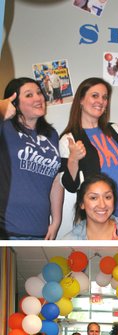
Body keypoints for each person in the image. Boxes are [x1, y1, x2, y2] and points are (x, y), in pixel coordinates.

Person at [58, 77, 118, 220]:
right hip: (97, 220)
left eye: (104, 97)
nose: (100, 101)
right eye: (95, 96)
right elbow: (70, 185)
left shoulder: (114, 129)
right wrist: (73, 159)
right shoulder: (69, 139)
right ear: (81, 100)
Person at [0, 77, 64, 239]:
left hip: (40, 229)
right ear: (14, 103)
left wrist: (56, 220)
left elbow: (56, 180)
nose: (38, 98)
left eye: (39, 93)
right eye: (29, 95)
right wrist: (1, 107)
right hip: (7, 227)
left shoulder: (51, 135)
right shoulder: (5, 127)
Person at [61, 173, 118, 240]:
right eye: (93, 198)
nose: (102, 205)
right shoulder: (68, 242)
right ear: (82, 204)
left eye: (107, 197)